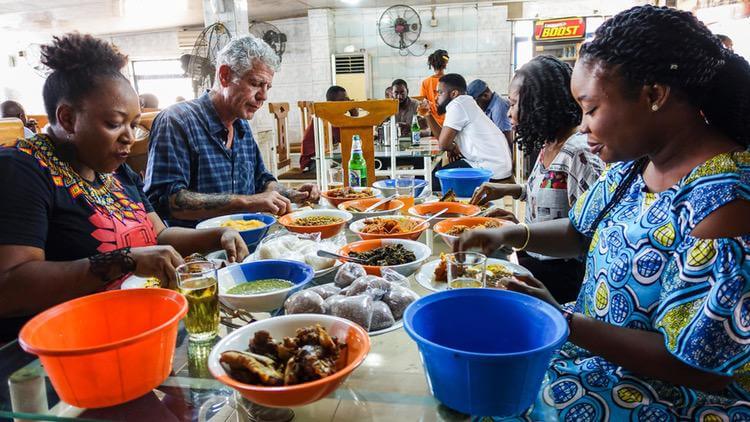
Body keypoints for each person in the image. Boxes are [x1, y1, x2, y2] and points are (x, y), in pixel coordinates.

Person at [456, 5, 750, 419]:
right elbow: (579, 231)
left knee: (497, 402)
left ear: (654, 95)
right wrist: (509, 235)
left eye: (590, 109)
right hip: (593, 351)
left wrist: (561, 321)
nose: (581, 126)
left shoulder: (726, 205)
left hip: (671, 394)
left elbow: (701, 367)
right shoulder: (635, 168)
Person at [0, 33, 249, 342]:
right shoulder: (22, 168)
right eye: (115, 123)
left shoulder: (114, 171)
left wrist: (217, 235)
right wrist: (125, 259)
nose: (130, 137)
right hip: (67, 348)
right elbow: (9, 287)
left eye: (133, 124)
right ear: (67, 118)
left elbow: (158, 235)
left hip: (138, 326)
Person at [145, 35, 319, 227]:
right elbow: (166, 200)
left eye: (267, 87)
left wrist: (292, 194)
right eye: (255, 84)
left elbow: (261, 180)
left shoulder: (240, 124)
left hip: (243, 240)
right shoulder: (177, 121)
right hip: (196, 248)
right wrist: (247, 202)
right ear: (225, 76)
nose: (263, 96)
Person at [470, 56, 604, 303]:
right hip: (535, 259)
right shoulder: (550, 143)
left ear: (539, 104)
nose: (509, 114)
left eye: (513, 104)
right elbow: (550, 189)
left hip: (564, 278)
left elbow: (587, 234)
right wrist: (510, 190)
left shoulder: (579, 152)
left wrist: (518, 232)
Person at [420, 73, 513, 189]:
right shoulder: (466, 103)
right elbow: (444, 139)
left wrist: (452, 147)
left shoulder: (457, 105)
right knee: (440, 171)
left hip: (490, 169)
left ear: (454, 93)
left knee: (433, 180)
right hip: (498, 166)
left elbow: (443, 144)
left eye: (440, 93)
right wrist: (428, 115)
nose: (435, 97)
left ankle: (454, 205)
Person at [299, 85, 355, 172]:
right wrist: (354, 116)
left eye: (347, 99)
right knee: (354, 162)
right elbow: (348, 139)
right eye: (342, 100)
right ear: (330, 103)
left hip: (325, 157)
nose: (346, 103)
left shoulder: (334, 115)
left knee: (354, 160)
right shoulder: (326, 117)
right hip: (313, 162)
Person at [466, 79, 512, 144]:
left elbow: (507, 140)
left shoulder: (498, 108)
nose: (475, 107)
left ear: (485, 96)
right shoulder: (490, 106)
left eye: (476, 103)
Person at [420, 49, 449, 127]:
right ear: (445, 64)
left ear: (432, 65)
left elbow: (423, 105)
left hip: (432, 124)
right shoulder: (450, 81)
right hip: (449, 123)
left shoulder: (425, 82)